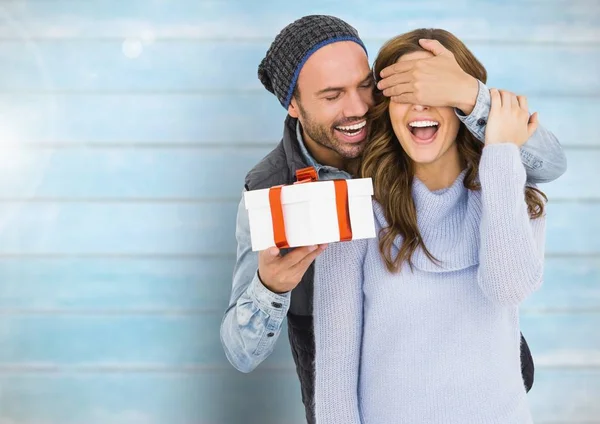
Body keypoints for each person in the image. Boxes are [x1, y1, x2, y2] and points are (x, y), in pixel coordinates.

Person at [219, 15, 566, 424]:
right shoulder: (284, 194)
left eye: (364, 86)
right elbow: (251, 353)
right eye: (332, 96)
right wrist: (271, 286)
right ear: (294, 105)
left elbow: (546, 165)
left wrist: (471, 98)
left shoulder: (478, 169)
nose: (357, 108)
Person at [313, 28, 547, 423]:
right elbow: (335, 374)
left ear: (462, 105)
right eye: (404, 93)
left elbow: (508, 288)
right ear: (386, 108)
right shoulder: (355, 210)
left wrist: (502, 154)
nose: (419, 106)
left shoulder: (512, 194)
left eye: (436, 92)